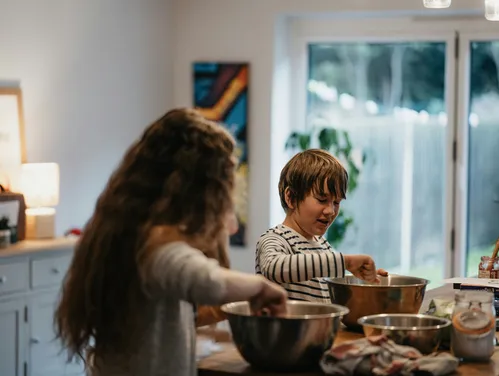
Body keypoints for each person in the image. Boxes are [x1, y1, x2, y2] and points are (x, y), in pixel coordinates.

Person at [54, 108, 287, 376]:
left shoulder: (124, 230)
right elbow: (205, 280)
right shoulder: (154, 247)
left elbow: (176, 304)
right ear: (196, 189)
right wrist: (261, 288)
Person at [256, 149, 387, 303]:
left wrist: (365, 279)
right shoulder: (275, 239)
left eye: (336, 202)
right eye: (322, 199)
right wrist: (346, 262)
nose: (331, 211)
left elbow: (330, 283)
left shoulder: (324, 246)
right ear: (291, 198)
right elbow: (274, 268)